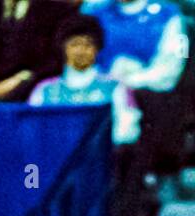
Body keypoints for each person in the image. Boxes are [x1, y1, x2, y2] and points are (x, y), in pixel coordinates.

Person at [28, 13, 142, 146]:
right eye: (74, 44)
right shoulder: (44, 90)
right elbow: (32, 131)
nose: (81, 51)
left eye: (88, 45)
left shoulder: (114, 87)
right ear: (63, 48)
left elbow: (127, 131)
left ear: (97, 49)